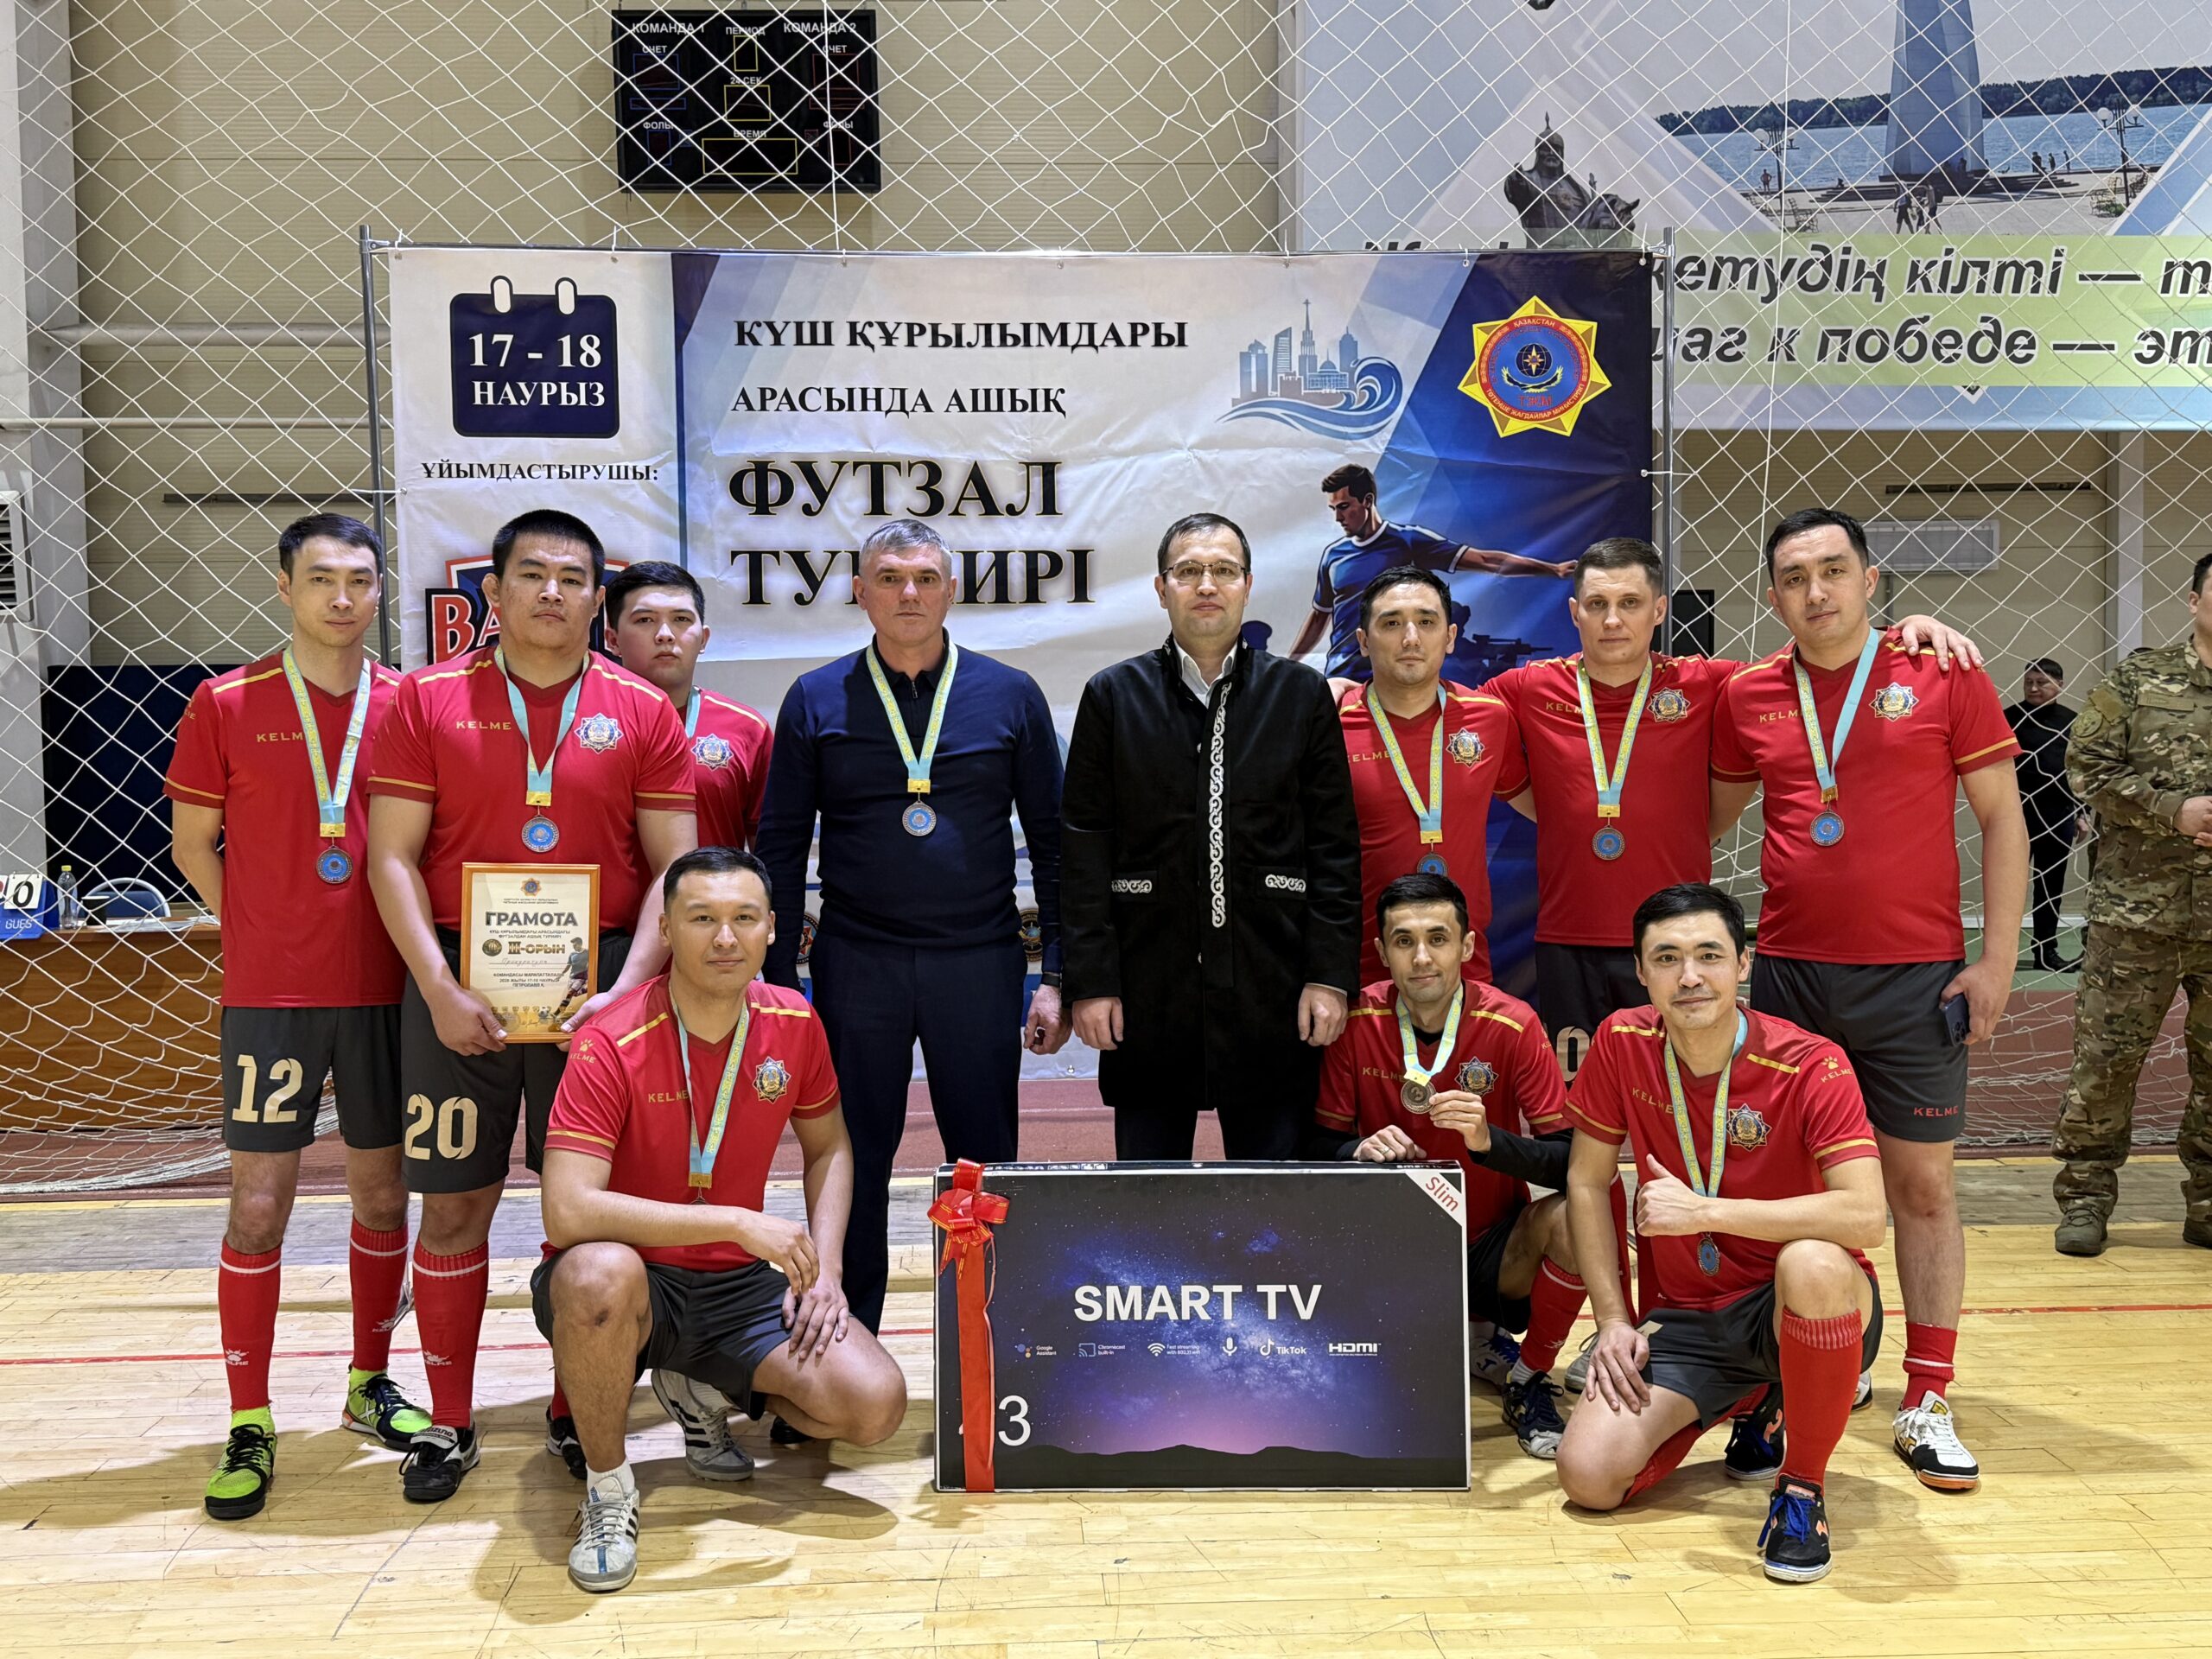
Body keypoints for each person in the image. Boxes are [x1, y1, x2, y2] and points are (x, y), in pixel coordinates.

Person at [365, 507, 698, 1502]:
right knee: (452, 1203)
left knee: (585, 1216)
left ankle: (574, 1413)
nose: (552, 591)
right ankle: (450, 1420)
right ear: (495, 591)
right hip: (457, 980)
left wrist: (625, 996)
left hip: (600, 988)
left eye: (572, 577)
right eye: (532, 574)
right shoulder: (424, 699)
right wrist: (437, 986)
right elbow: (390, 857)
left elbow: (675, 872)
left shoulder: (642, 710)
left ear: (597, 600)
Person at [1710, 506, 2027, 1495]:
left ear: (1870, 580)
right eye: (1794, 577)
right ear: (1772, 595)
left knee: (1921, 1189)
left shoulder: (1942, 670)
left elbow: (2002, 820)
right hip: (1790, 979)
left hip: (1914, 978)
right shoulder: (1747, 694)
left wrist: (1998, 962)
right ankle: (1807, 1360)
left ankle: (1926, 1396)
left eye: (1833, 570)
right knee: (1790, 1192)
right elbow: (1701, 811)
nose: (1816, 591)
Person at [537, 846, 906, 1593]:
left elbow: (830, 1148)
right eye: (702, 918)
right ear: (666, 929)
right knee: (598, 1271)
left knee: (875, 1406)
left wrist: (827, 1272)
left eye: (744, 918)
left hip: (735, 1289)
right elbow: (568, 1208)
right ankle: (608, 1490)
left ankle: (698, 1387)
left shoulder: (794, 1021)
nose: (725, 937)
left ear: (773, 928)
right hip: (633, 1284)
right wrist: (735, 1223)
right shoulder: (610, 1040)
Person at [1487, 536, 1978, 1075]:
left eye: (1630, 603)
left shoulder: (1711, 683)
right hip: (1568, 941)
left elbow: (1821, 652)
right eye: (1597, 604)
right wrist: (1563, 815)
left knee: (1683, 1098)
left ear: (1658, 610)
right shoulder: (1524, 688)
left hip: (1679, 941)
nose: (1612, 620)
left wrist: (1905, 627)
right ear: (1574, 612)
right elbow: (1448, 708)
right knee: (1579, 1102)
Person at [166, 514, 427, 1520]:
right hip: (269, 999)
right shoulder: (226, 702)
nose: (342, 598)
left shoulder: (407, 702)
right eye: (321, 579)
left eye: (359, 579)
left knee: (382, 1195)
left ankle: (369, 1382)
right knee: (258, 1206)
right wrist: (256, 930)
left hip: (384, 989)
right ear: (284, 587)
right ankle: (250, 1417)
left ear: (378, 590)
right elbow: (193, 843)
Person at [755, 519, 1065, 1336]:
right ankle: (843, 1340)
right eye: (890, 578)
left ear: (951, 591)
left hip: (980, 961)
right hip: (860, 961)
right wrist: (779, 983)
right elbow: (779, 848)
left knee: (983, 1160)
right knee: (852, 1156)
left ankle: (989, 1338)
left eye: (926, 578)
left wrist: (1059, 975)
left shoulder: (1010, 694)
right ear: (860, 593)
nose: (909, 593)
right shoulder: (816, 697)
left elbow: (1056, 845)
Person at [1554, 884, 1886, 1585]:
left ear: (1743, 964)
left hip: (1797, 1304)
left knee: (1814, 1262)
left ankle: (1802, 1490)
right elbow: (1586, 1182)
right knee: (1588, 1478)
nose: (1690, 976)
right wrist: (1612, 1320)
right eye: (1666, 958)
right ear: (1641, 972)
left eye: (1708, 955)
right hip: (1689, 1317)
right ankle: (1757, 1399)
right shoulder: (1621, 1042)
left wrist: (1707, 1212)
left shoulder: (1811, 1062)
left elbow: (1865, 1216)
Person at [1062, 512, 1362, 1157]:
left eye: (1223, 570)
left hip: (1273, 982)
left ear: (1248, 586)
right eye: (1188, 571)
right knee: (1151, 1194)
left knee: (1273, 1195)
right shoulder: (1113, 696)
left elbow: (1334, 847)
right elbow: (1084, 847)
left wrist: (1329, 976)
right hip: (1147, 983)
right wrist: (1093, 981)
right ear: (1161, 588)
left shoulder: (1300, 694)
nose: (1206, 584)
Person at [1312, 874, 1584, 1455]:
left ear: (1467, 945)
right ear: (1381, 951)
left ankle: (1528, 1375)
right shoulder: (1356, 1021)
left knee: (1576, 1216)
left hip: (1489, 1249)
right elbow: (1315, 1148)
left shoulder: (1514, 1023)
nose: (1422, 957)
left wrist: (1490, 1142)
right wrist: (1354, 1150)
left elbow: (1570, 1162)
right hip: (1386, 1253)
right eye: (1403, 941)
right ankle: (1447, 1341)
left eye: (1438, 938)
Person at [2050, 554, 2212, 1256]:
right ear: (2194, 600)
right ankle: (2085, 1198)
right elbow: (2084, 767)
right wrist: (2171, 808)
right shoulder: (2138, 680)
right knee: (2107, 1065)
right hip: (2136, 916)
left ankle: (2207, 1205)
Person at [1330, 566, 1526, 988]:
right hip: (1359, 967)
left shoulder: (1491, 719)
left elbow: (1544, 806)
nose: (1411, 638)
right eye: (1391, 623)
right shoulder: (1329, 722)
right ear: (1363, 641)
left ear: (1450, 636)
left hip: (1465, 963)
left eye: (1426, 621)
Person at [1287, 463, 1573, 681]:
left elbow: (1487, 561)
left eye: (1344, 507)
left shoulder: (1408, 542)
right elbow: (1319, 615)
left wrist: (1554, 570)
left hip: (1396, 675)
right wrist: (1290, 663)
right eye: (1333, 509)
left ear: (1368, 500)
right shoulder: (1334, 556)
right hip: (1341, 675)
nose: (1338, 517)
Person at [605, 559, 772, 852]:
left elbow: (771, 854)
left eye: (681, 619)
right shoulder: (583, 722)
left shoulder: (748, 730)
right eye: (645, 620)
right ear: (613, 640)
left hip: (713, 884)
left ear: (704, 639)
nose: (665, 634)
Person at [2005, 658, 2088, 971]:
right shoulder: (2007, 719)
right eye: (2029, 682)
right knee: (2007, 886)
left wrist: (2082, 812)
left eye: (2042, 682)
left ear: (2059, 685)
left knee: (2051, 887)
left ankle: (2045, 951)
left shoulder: (2073, 722)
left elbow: (2081, 771)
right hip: (2014, 815)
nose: (2034, 688)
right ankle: (2001, 954)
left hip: (2057, 816)